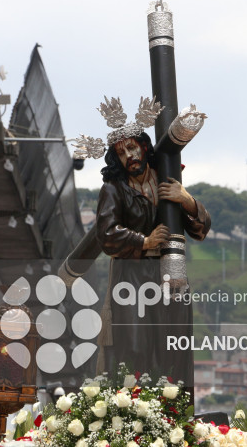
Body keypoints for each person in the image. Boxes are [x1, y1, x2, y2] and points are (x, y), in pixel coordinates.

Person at [95, 131, 210, 384]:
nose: (129, 156)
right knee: (135, 344)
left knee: (173, 344)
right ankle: (134, 408)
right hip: (132, 275)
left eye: (132, 148)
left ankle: (174, 408)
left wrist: (187, 200)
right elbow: (106, 233)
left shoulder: (168, 179)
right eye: (121, 153)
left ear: (144, 148)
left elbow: (200, 230)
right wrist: (143, 241)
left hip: (171, 271)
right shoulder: (114, 189)